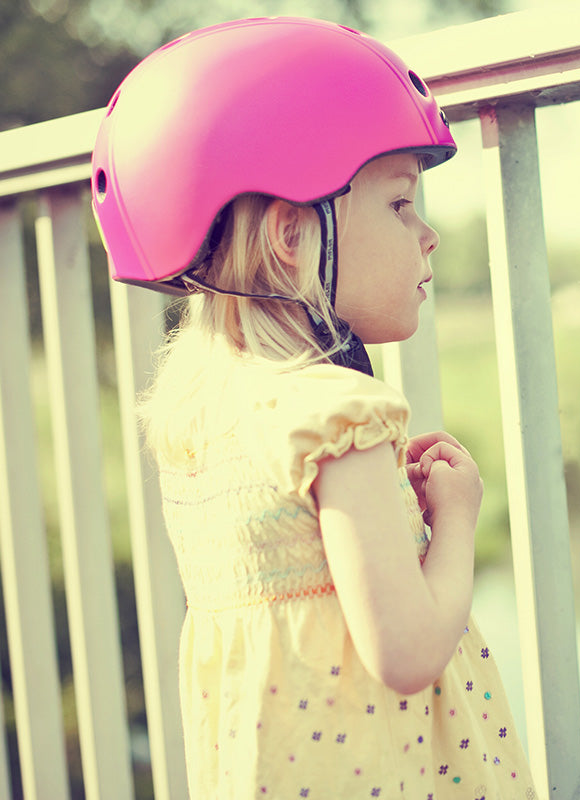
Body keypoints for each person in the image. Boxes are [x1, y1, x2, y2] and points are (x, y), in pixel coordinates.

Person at [92, 16, 536, 799]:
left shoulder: (204, 414)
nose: (428, 235)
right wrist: (458, 516)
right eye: (400, 204)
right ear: (292, 235)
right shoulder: (337, 415)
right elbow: (406, 651)